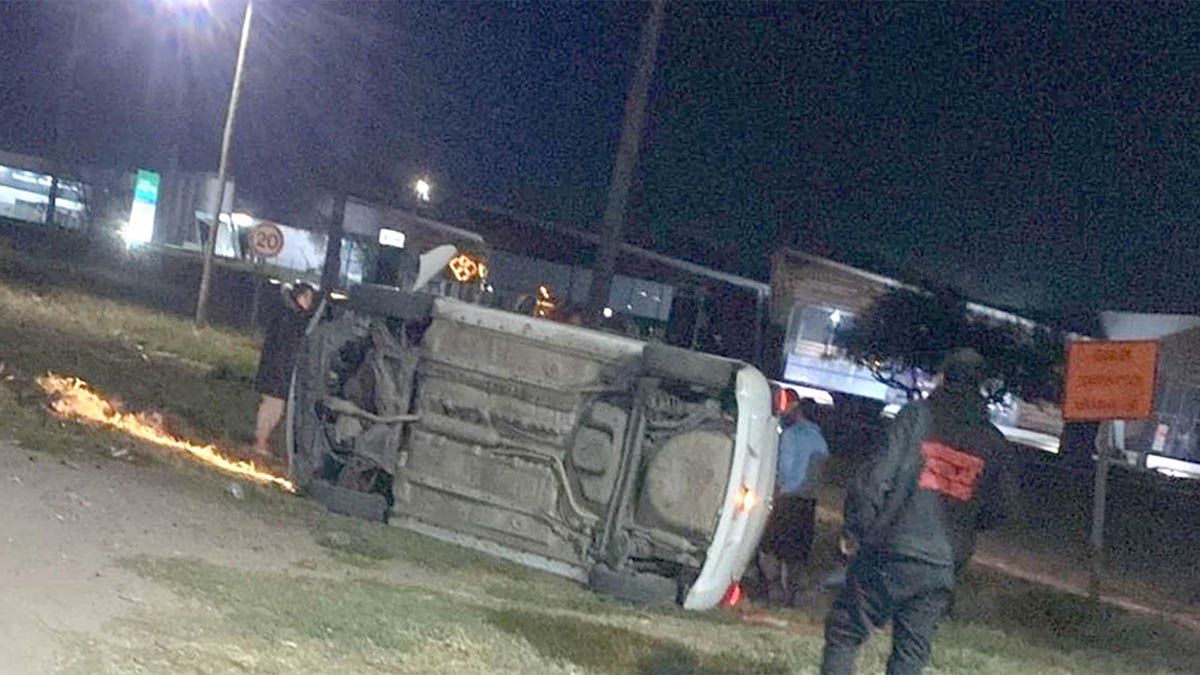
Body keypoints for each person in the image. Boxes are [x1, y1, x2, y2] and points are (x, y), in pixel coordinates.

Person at [820, 348, 1011, 675]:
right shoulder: (993, 442)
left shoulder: (915, 417)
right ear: (981, 385)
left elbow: (875, 480)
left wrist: (856, 531)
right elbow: (1001, 509)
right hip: (941, 565)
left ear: (943, 377)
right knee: (911, 654)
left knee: (845, 630)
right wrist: (962, 524)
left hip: (891, 550)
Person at [759, 396, 829, 604]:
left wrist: (776, 489)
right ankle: (795, 592)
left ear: (799, 412)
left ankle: (774, 588)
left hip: (788, 498)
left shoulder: (791, 435)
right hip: (808, 502)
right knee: (797, 553)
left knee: (770, 546)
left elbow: (784, 467)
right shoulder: (820, 441)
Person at [250, 281, 317, 463]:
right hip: (277, 371)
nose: (311, 303)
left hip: (275, 369)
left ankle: (262, 441)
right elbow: (285, 348)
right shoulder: (291, 317)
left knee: (273, 406)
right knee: (273, 407)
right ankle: (260, 442)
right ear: (302, 296)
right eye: (309, 298)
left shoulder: (287, 313)